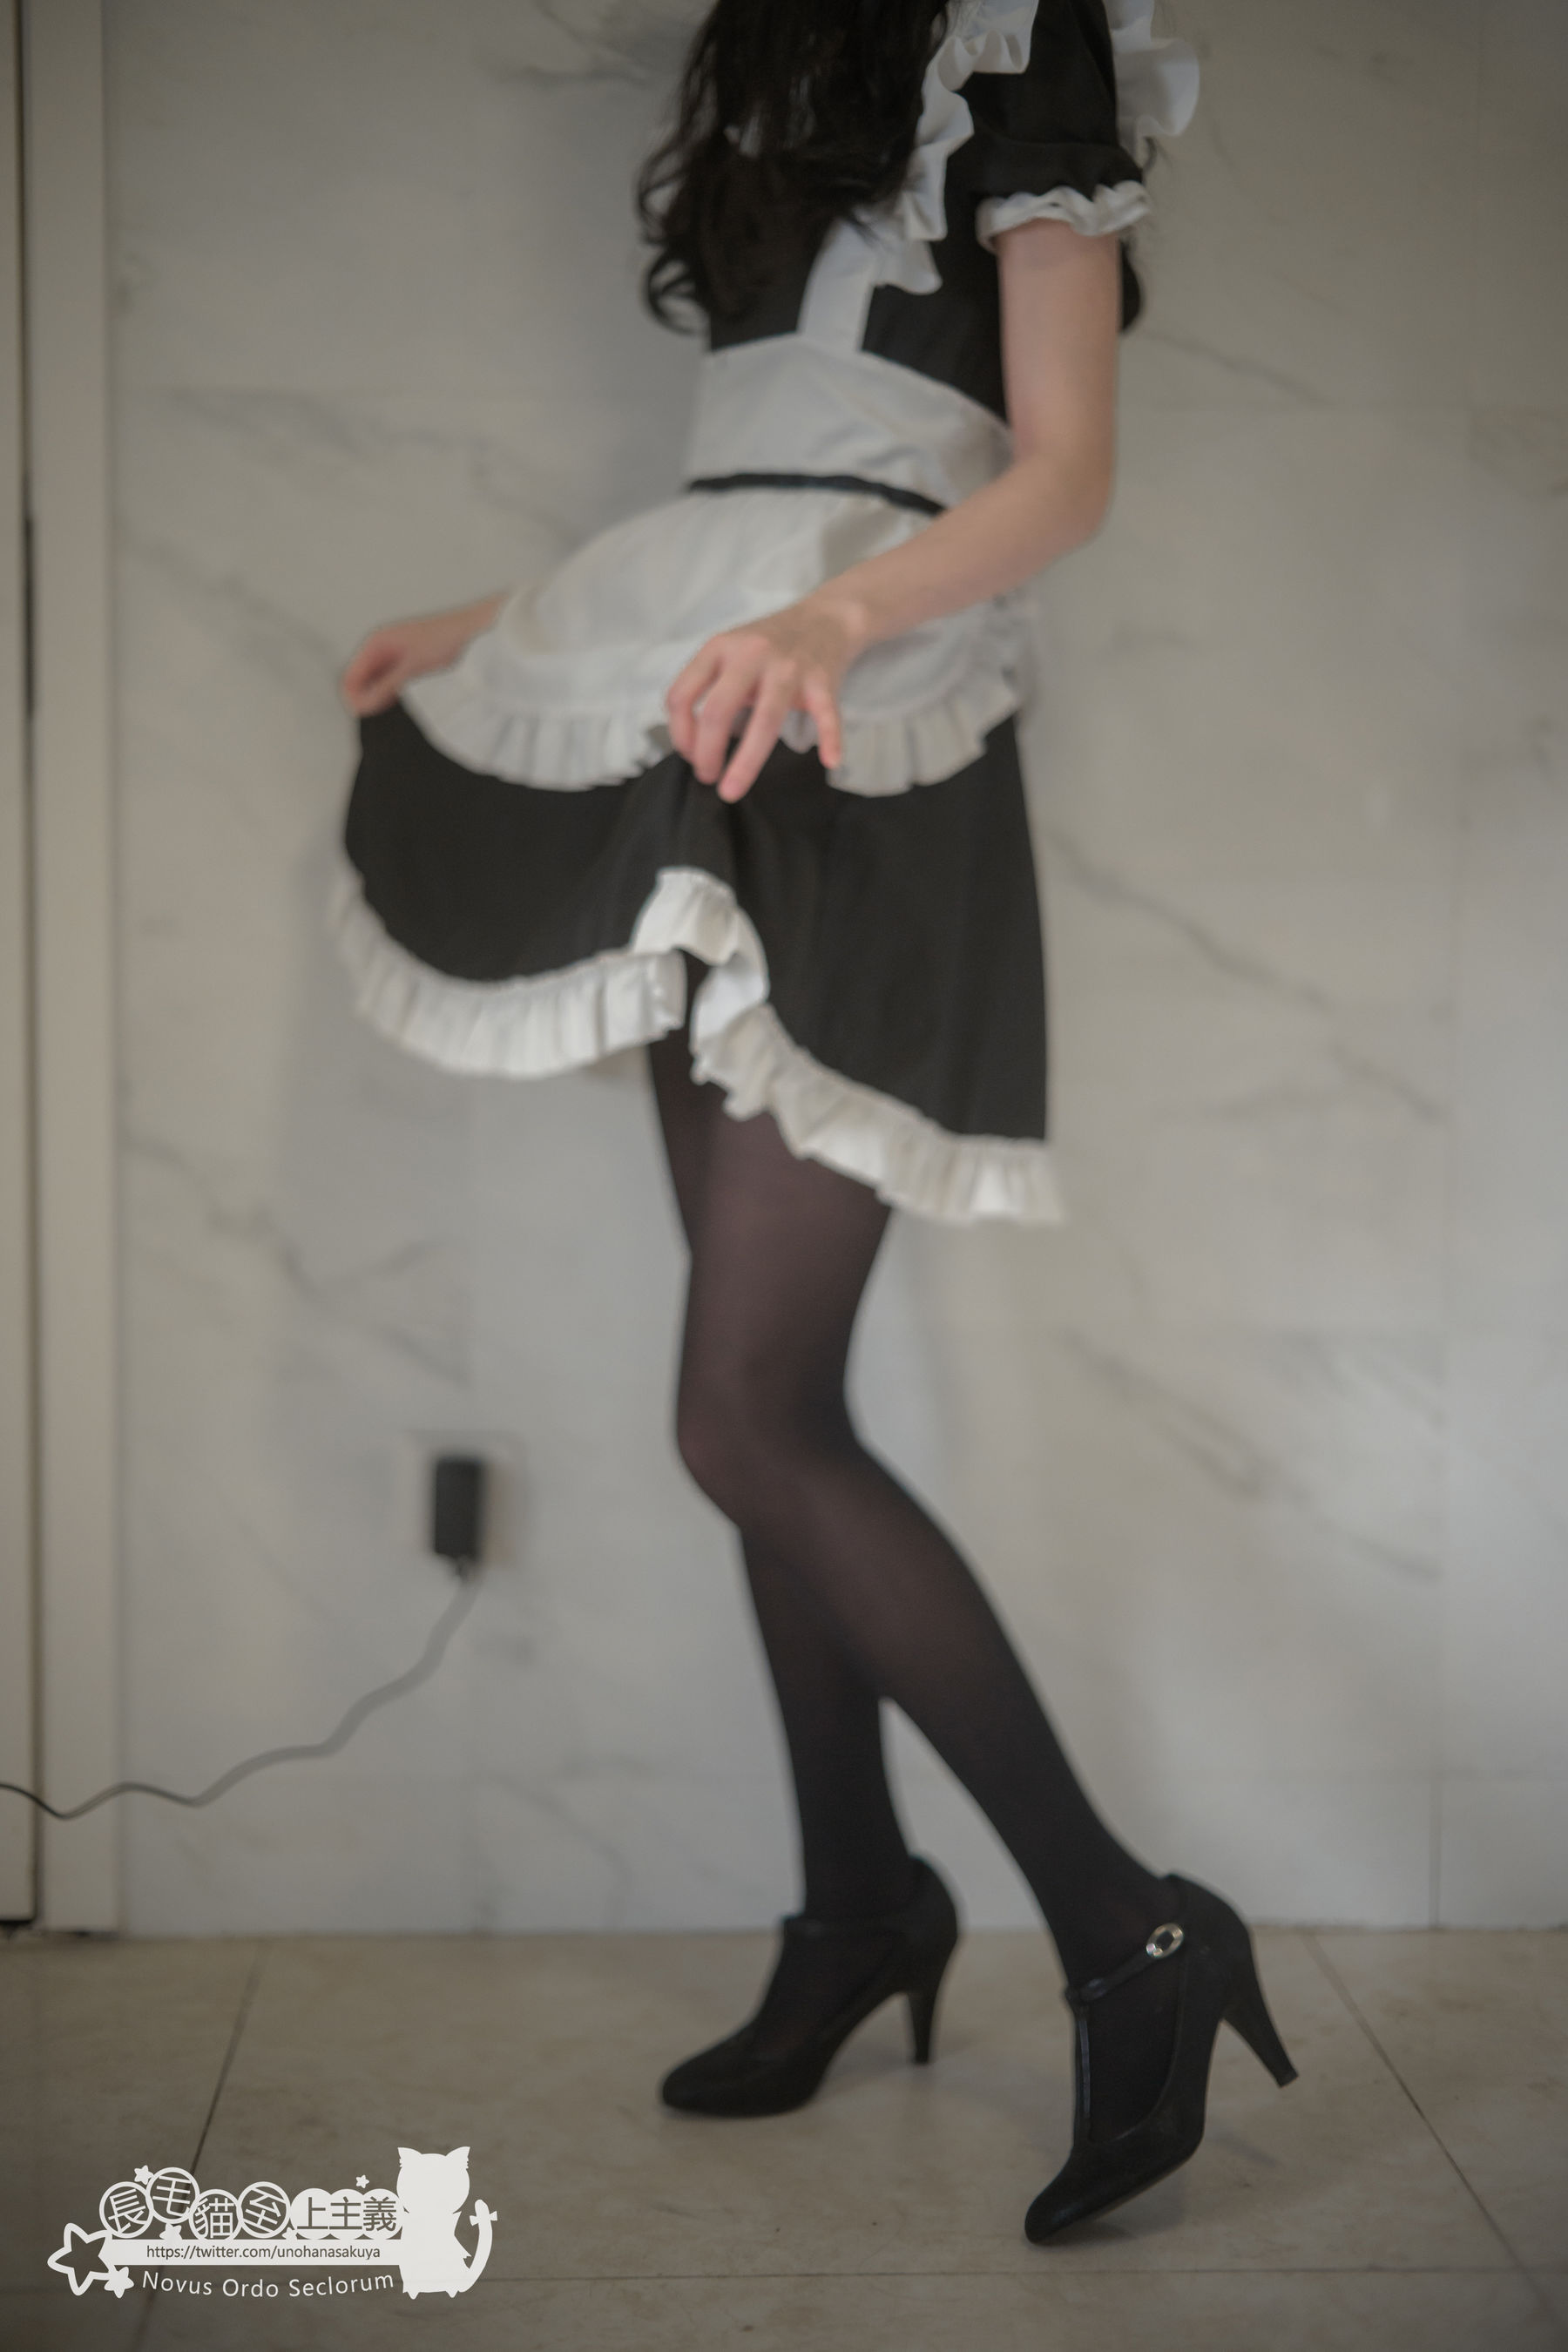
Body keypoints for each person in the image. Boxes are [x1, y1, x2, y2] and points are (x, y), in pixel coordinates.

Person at [335, 0, 1295, 2243]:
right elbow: (751, 471)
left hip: (864, 703)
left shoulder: (1023, 43)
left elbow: (1061, 471)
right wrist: (492, 622)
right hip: (706, 675)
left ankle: (1130, 1926)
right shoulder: (780, 55)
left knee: (745, 1417)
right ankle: (857, 1906)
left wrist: (839, 621)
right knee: (767, 1405)